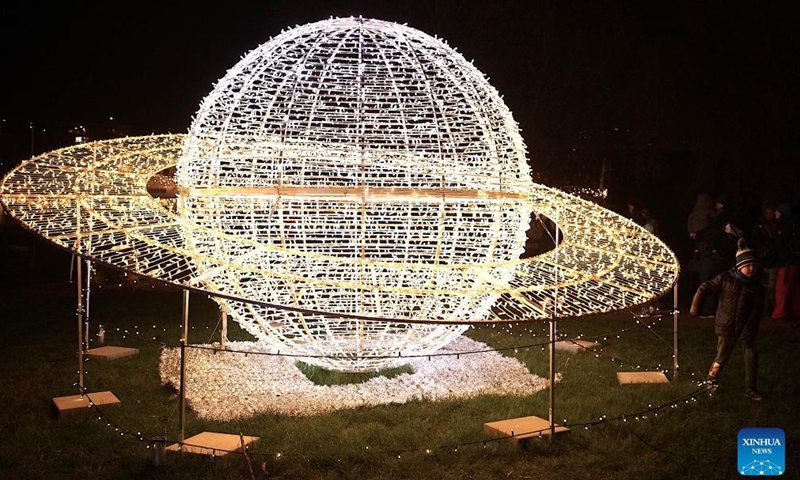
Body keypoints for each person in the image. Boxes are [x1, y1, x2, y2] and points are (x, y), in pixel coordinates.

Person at [690, 239, 765, 401]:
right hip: (727, 324)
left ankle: (751, 388)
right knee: (722, 355)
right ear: (739, 265)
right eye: (747, 265)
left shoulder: (757, 285)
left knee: (751, 355)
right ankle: (711, 380)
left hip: (747, 326)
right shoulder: (726, 278)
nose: (751, 269)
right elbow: (705, 288)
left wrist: (753, 324)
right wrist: (695, 308)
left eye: (754, 265)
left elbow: (759, 307)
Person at [771, 201, 800, 323]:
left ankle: (779, 313)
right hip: (795, 260)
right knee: (794, 287)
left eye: (777, 210)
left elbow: (779, 244)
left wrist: (771, 254)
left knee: (782, 287)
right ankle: (796, 311)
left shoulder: (785, 226)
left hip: (787, 261)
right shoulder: (795, 225)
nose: (775, 213)